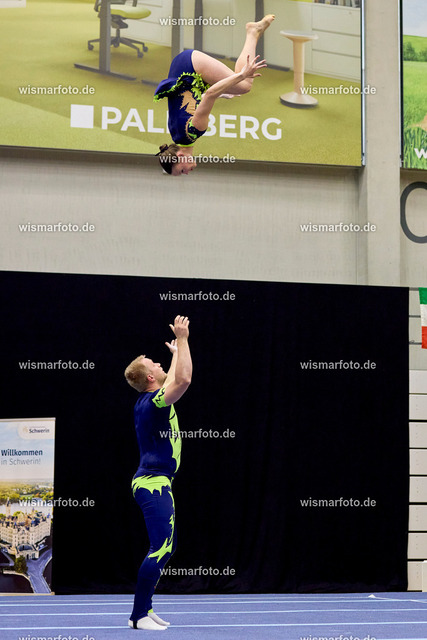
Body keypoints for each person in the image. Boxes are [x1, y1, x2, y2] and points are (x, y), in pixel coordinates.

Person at [124, 315, 192, 630]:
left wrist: (176, 352)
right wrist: (184, 340)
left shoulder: (149, 399)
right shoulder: (154, 403)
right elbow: (183, 380)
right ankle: (138, 616)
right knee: (161, 547)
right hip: (152, 483)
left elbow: (172, 379)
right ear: (150, 376)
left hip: (155, 481)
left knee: (167, 546)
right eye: (155, 363)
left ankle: (146, 608)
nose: (160, 363)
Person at [154, 15, 275, 175]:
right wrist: (223, 93)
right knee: (234, 86)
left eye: (182, 170)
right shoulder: (177, 136)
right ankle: (252, 35)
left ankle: (253, 31)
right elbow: (189, 103)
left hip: (190, 67)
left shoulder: (193, 132)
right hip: (181, 66)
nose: (187, 173)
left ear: (180, 156)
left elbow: (209, 94)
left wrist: (243, 75)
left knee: (244, 85)